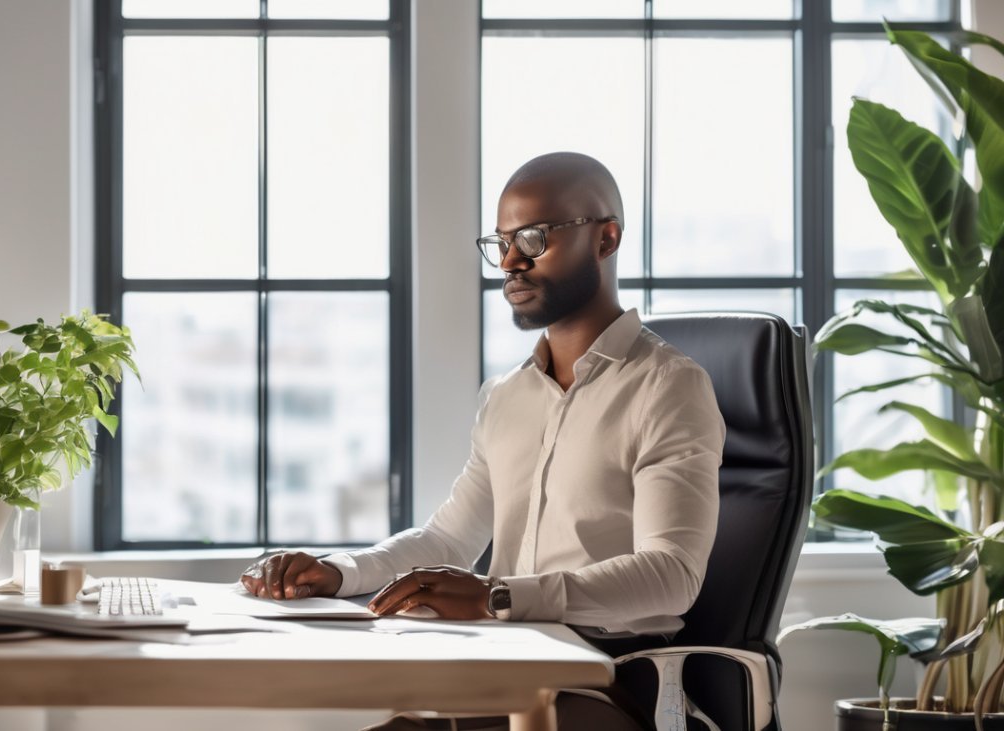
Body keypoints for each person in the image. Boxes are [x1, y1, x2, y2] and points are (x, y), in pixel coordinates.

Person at [239, 152, 725, 730]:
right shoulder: (505, 397)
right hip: (505, 668)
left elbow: (671, 574)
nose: (511, 262)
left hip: (608, 685)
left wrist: (498, 597)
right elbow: (448, 539)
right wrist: (337, 572)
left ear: (606, 238)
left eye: (534, 238)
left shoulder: (668, 386)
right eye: (501, 243)